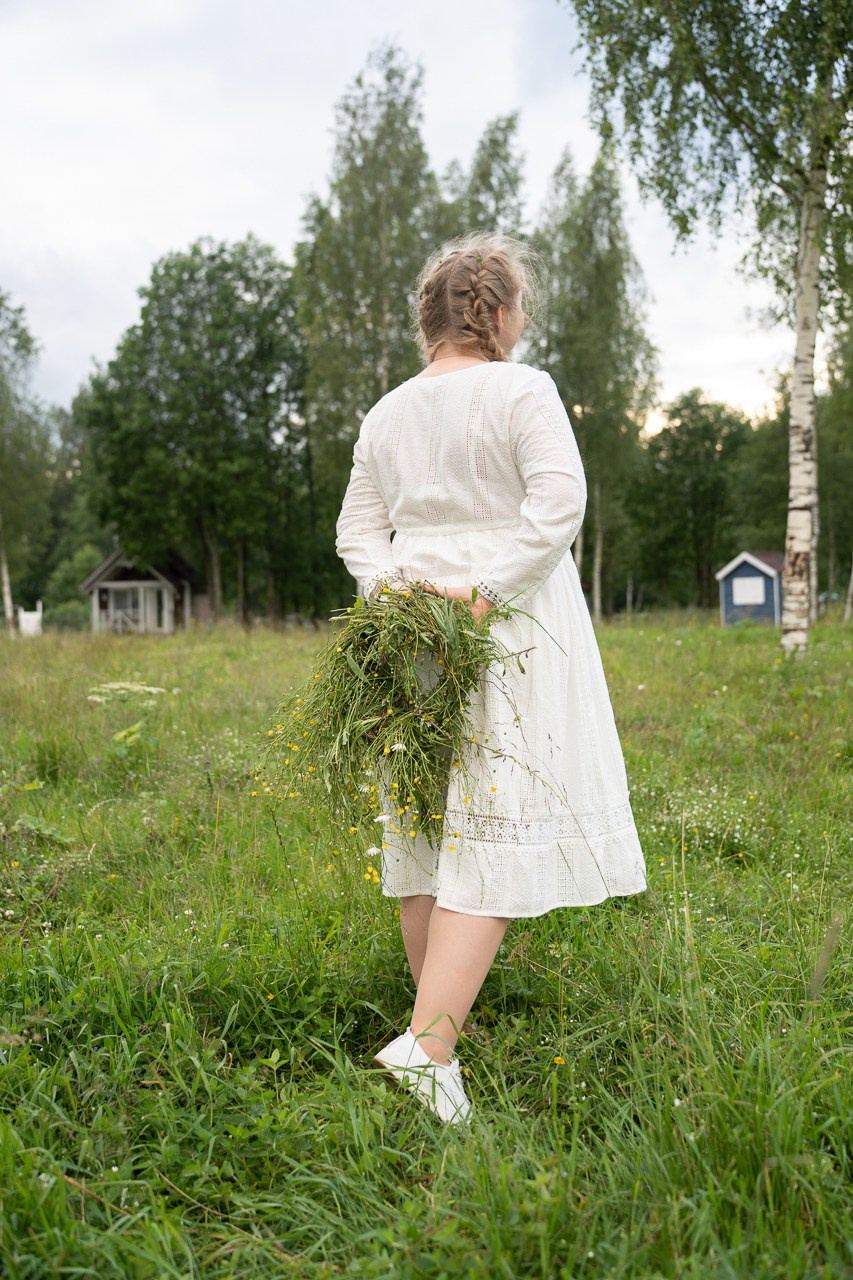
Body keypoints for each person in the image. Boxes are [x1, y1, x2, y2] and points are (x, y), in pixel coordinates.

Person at [335, 232, 647, 1124]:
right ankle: (431, 1050)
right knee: (495, 822)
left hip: (410, 634)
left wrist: (395, 595)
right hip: (503, 628)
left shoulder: (387, 412)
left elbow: (357, 533)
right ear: (501, 314)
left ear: (428, 320)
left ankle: (433, 1032)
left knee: (430, 820)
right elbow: (558, 502)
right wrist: (482, 591)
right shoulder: (523, 388)